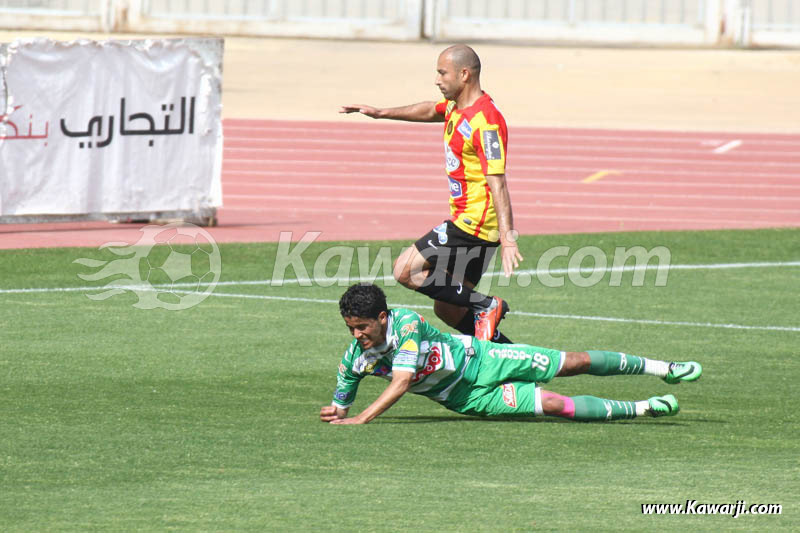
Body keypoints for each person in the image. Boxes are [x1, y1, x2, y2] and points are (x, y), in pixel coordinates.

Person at [340, 44, 522, 342]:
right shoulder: (456, 105)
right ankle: (517, 361)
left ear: (464, 74)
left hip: (472, 223)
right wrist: (382, 112)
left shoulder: (485, 121)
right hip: (471, 222)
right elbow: (430, 109)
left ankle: (486, 304)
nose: (437, 80)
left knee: (405, 271)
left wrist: (508, 237)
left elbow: (498, 182)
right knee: (448, 309)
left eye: (442, 73)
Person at [320, 284, 702, 425]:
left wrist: (363, 418)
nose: (357, 335)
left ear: (382, 318)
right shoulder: (355, 359)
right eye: (351, 328)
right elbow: (341, 400)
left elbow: (402, 381)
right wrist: (338, 411)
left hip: (484, 358)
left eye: (362, 327)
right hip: (467, 397)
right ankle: (645, 408)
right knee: (554, 405)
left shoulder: (407, 324)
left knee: (573, 363)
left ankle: (664, 368)